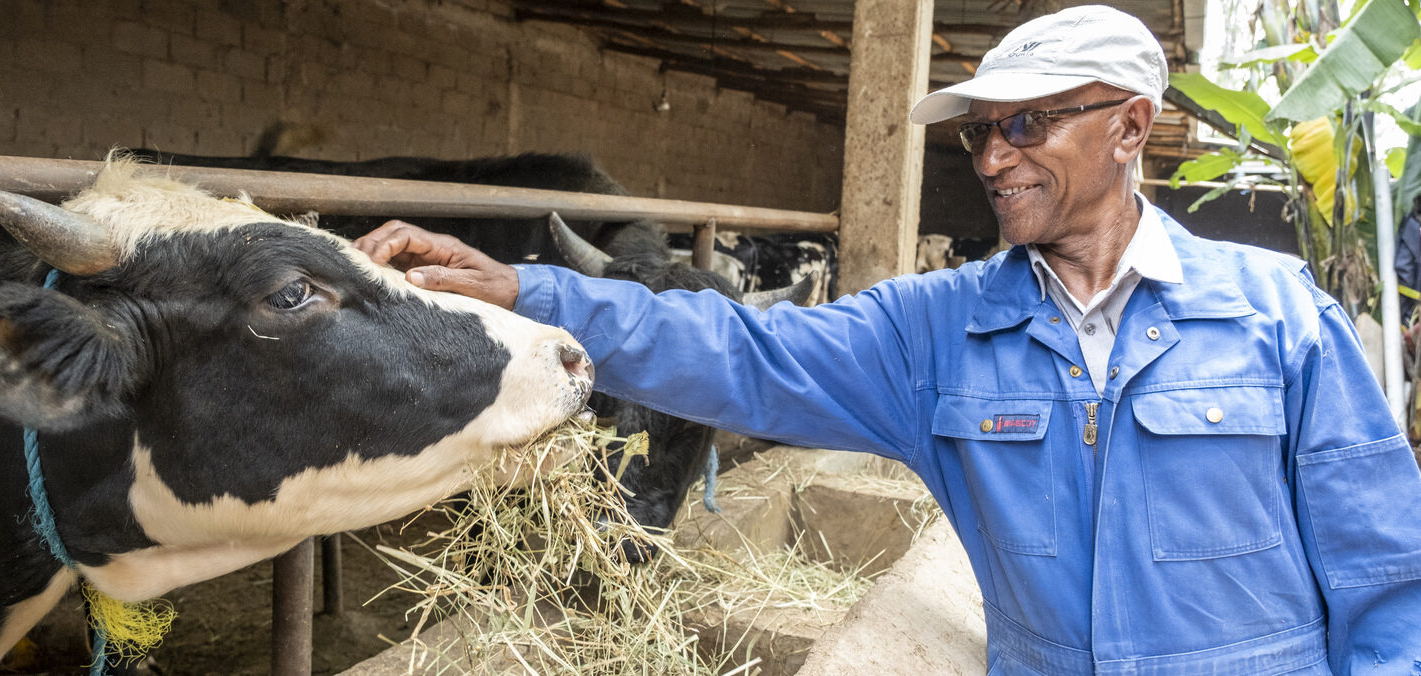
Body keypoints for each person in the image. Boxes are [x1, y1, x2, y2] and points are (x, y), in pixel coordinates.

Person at [355, 5, 1421, 672]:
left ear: (1130, 126)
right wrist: (535, 293)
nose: (992, 159)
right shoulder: (937, 328)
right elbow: (742, 354)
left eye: (1025, 124)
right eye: (977, 133)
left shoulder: (1280, 315)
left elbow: (1387, 577)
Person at [1396, 192, 1421, 321]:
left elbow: (1404, 272)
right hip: (1412, 311)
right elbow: (1404, 272)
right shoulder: (1412, 227)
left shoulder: (1411, 225)